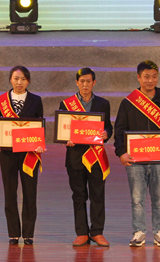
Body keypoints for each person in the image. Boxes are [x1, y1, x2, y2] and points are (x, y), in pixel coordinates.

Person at [114, 60, 160, 247]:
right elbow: (119, 130)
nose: (150, 80)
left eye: (154, 76)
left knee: (159, 199)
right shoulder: (129, 102)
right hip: (135, 160)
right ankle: (139, 232)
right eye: (146, 77)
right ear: (138, 77)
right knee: (137, 199)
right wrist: (121, 153)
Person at [59, 68, 113, 247]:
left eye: (88, 81)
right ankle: (82, 232)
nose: (85, 85)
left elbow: (108, 127)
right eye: (82, 81)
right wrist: (65, 139)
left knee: (98, 195)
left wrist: (106, 133)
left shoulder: (103, 104)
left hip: (95, 156)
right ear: (77, 83)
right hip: (75, 157)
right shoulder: (66, 104)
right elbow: (62, 129)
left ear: (94, 83)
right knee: (79, 195)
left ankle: (97, 232)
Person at [0, 66, 45, 245]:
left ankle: (28, 233)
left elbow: (40, 125)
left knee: (30, 192)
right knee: (10, 192)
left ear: (28, 81)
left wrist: (40, 144)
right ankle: (13, 233)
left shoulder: (36, 100)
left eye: (23, 79)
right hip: (7, 153)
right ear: (10, 80)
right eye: (16, 78)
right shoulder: (2, 101)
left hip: (29, 153)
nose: (19, 82)